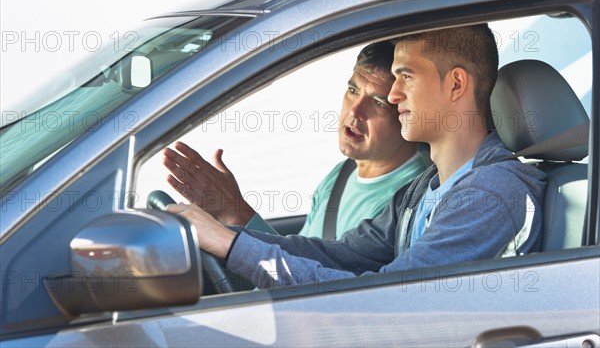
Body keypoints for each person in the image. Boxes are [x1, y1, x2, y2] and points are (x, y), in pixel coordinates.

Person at [167, 24, 546, 290]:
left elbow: (390, 296)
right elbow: (339, 256)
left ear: (457, 84)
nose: (394, 94)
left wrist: (231, 246)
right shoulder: (423, 191)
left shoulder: (491, 194)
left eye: (406, 77)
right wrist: (222, 236)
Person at [163, 41, 427, 239]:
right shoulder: (343, 173)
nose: (355, 112)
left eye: (378, 103)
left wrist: (236, 213)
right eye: (352, 90)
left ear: (405, 112)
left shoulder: (405, 201)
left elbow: (323, 287)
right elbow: (299, 256)